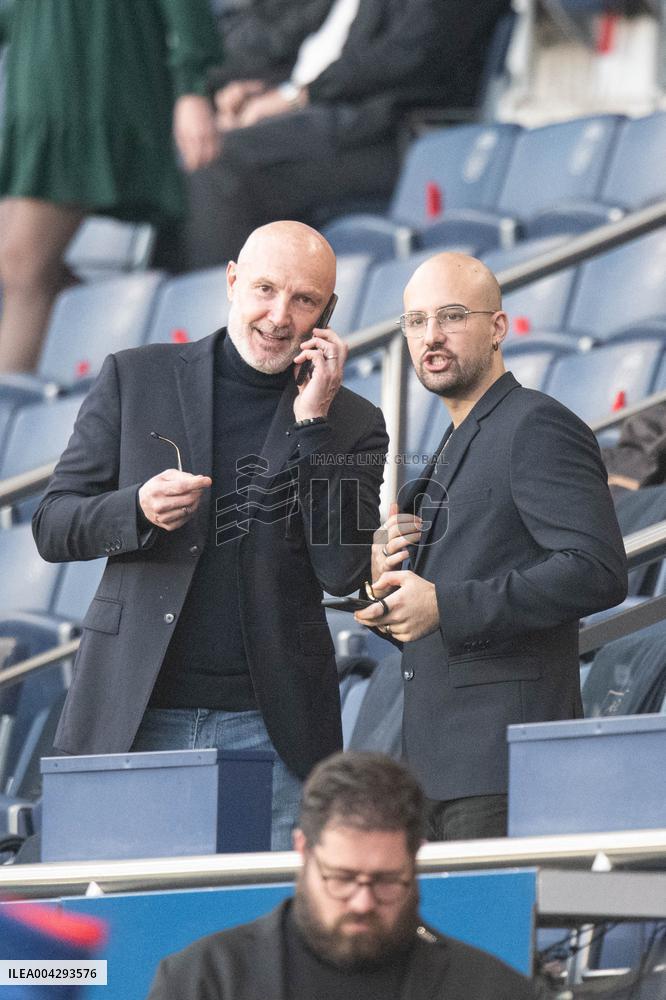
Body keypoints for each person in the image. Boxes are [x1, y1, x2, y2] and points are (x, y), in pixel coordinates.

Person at [32, 221, 388, 850]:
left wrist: (313, 426)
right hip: (133, 713)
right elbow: (53, 525)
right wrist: (136, 509)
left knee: (260, 908)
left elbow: (341, 570)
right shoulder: (135, 377)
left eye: (304, 300)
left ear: (328, 313)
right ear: (231, 281)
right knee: (115, 909)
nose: (279, 316)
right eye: (265, 289)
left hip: (272, 730)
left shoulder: (354, 421)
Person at [355, 252, 628, 842]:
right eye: (416, 321)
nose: (431, 335)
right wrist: (390, 592)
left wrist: (444, 605)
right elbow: (443, 601)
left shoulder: (537, 424)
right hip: (431, 771)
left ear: (498, 327)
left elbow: (597, 570)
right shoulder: (452, 443)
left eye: (452, 316)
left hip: (505, 766)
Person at [146, 750, 537, 999]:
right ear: (303, 849)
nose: (363, 902)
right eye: (343, 879)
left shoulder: (490, 990)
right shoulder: (203, 981)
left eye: (386, 881)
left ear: (416, 859)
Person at [186, 0, 510, 269]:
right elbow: (310, 46)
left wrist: (297, 95)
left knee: (218, 162)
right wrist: (259, 91)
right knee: (190, 154)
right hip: (332, 115)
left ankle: (226, 318)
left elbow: (409, 56)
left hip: (390, 133)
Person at [0, 0, 221, 373]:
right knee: (18, 264)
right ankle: (94, 361)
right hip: (37, 92)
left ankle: (12, 400)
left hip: (90, 89)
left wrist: (192, 88)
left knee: (23, 266)